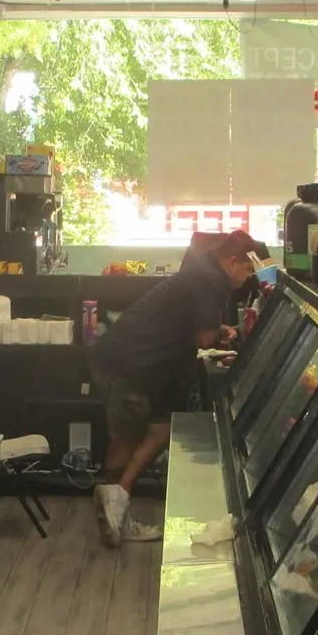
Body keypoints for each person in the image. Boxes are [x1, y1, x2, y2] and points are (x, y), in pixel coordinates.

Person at [90, 230, 267, 546]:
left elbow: (193, 327)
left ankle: (117, 500)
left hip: (147, 364)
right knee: (126, 437)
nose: (248, 277)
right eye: (248, 269)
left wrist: (216, 330)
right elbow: (202, 339)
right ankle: (116, 510)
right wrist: (220, 334)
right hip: (130, 363)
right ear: (232, 260)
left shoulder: (204, 274)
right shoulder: (208, 281)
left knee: (161, 429)